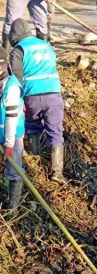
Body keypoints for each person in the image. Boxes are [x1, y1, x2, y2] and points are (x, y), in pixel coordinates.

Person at [8, 18, 66, 183]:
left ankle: (35, 159)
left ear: (14, 35)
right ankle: (57, 172)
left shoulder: (19, 50)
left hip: (32, 96)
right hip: (54, 94)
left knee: (33, 126)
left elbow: (16, 78)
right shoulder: (45, 45)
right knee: (55, 131)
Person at [0, 47, 25, 212]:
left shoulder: (12, 88)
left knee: (13, 169)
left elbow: (11, 118)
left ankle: (13, 207)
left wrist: (9, 144)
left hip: (12, 135)